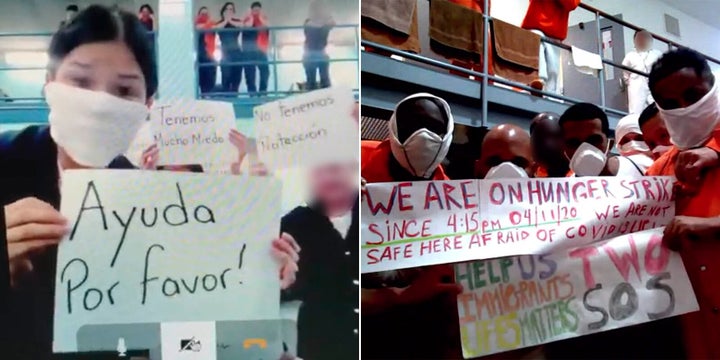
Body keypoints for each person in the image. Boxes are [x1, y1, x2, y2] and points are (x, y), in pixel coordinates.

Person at [0, 6, 297, 358]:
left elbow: (178, 318)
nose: (99, 103)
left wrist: (255, 278)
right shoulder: (8, 161)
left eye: (124, 90)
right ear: (49, 83)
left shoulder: (147, 200)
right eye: (80, 82)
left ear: (147, 103)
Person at [361, 93, 462, 359]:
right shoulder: (353, 159)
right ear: (395, 127)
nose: (423, 136)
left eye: (432, 127)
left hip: (415, 333)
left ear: (448, 133)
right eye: (415, 124)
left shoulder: (449, 195)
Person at [280, 163, 359, 360]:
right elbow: (272, 292)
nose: (329, 177)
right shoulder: (291, 224)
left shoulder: (378, 209)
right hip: (320, 344)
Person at [559, 102, 644, 177]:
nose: (583, 150)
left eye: (593, 141)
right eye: (574, 143)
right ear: (564, 149)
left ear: (609, 144)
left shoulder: (644, 170)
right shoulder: (566, 188)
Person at [521, 0, 581, 95]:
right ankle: (538, 81)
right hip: (536, 25)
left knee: (553, 69)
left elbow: (571, 4)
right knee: (538, 58)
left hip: (554, 31)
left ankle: (550, 94)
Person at [622, 30, 662, 114]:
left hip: (654, 83)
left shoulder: (657, 54)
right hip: (636, 83)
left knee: (656, 107)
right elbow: (625, 72)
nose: (642, 40)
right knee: (636, 108)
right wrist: (630, 81)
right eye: (639, 38)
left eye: (645, 37)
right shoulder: (630, 55)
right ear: (635, 41)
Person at [303, 0, 335, 90]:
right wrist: (325, 23)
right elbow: (311, 25)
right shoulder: (309, 22)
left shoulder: (312, 21)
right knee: (318, 81)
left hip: (315, 53)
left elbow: (332, 23)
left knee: (318, 81)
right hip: (313, 53)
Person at [216, 2, 245, 94]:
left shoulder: (236, 21)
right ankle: (226, 97)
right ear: (223, 11)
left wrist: (230, 20)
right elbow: (215, 27)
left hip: (236, 52)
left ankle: (235, 94)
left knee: (237, 76)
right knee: (226, 75)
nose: (229, 11)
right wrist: (225, 20)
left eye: (231, 9)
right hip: (225, 53)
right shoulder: (220, 23)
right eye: (227, 9)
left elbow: (242, 25)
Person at [242, 2, 270, 96]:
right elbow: (248, 25)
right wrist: (251, 16)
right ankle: (252, 93)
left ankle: (262, 92)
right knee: (250, 72)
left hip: (261, 50)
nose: (256, 12)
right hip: (249, 51)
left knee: (265, 71)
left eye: (258, 10)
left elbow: (266, 25)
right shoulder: (248, 19)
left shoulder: (263, 19)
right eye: (254, 10)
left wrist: (260, 17)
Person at [529, 112, 569, 177]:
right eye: (539, 139)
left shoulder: (583, 175)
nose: (547, 144)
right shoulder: (526, 179)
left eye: (554, 136)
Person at [196, 6, 218, 94]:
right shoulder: (197, 23)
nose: (204, 16)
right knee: (202, 74)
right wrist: (209, 24)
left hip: (211, 53)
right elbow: (199, 27)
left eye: (206, 14)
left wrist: (209, 25)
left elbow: (215, 27)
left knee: (212, 73)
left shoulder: (212, 24)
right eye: (202, 14)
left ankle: (210, 92)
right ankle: (204, 93)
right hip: (201, 53)